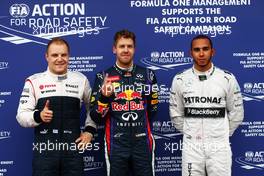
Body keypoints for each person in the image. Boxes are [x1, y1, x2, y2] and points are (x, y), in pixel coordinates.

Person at [16, 37, 96, 176]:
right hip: (44, 152)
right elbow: (21, 116)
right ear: (47, 57)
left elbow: (94, 109)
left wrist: (89, 131)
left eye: (63, 55)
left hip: (73, 152)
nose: (60, 59)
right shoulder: (34, 81)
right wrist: (38, 116)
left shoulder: (81, 80)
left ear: (69, 56)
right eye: (54, 55)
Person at [169, 35, 244, 176]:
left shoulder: (226, 78)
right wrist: (190, 133)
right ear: (190, 53)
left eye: (205, 49)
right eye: (197, 50)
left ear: (212, 51)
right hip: (192, 148)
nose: (201, 53)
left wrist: (220, 135)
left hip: (219, 148)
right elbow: (176, 114)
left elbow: (237, 113)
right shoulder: (180, 79)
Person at [90, 29, 158, 176]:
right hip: (116, 143)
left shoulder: (148, 75)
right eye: (122, 46)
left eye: (129, 46)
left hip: (143, 143)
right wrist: (103, 97)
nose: (126, 50)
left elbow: (153, 109)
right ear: (114, 49)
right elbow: (95, 117)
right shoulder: (103, 76)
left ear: (134, 49)